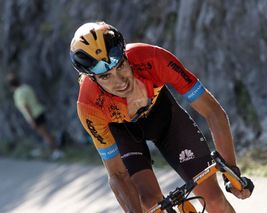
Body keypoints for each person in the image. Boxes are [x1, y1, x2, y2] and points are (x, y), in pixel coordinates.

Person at [69, 21, 254, 213]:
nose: (120, 81)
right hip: (124, 132)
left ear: (125, 56)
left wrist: (231, 172)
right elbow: (117, 174)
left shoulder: (153, 58)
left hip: (164, 117)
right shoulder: (89, 106)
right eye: (106, 76)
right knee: (150, 203)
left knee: (214, 199)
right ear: (93, 79)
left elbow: (213, 112)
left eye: (121, 65)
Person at [6, 73, 64, 160]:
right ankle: (56, 148)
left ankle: (57, 151)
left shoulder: (18, 94)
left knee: (45, 134)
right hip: (40, 111)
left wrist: (31, 120)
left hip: (34, 116)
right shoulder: (26, 87)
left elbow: (26, 107)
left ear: (10, 86)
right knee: (47, 133)